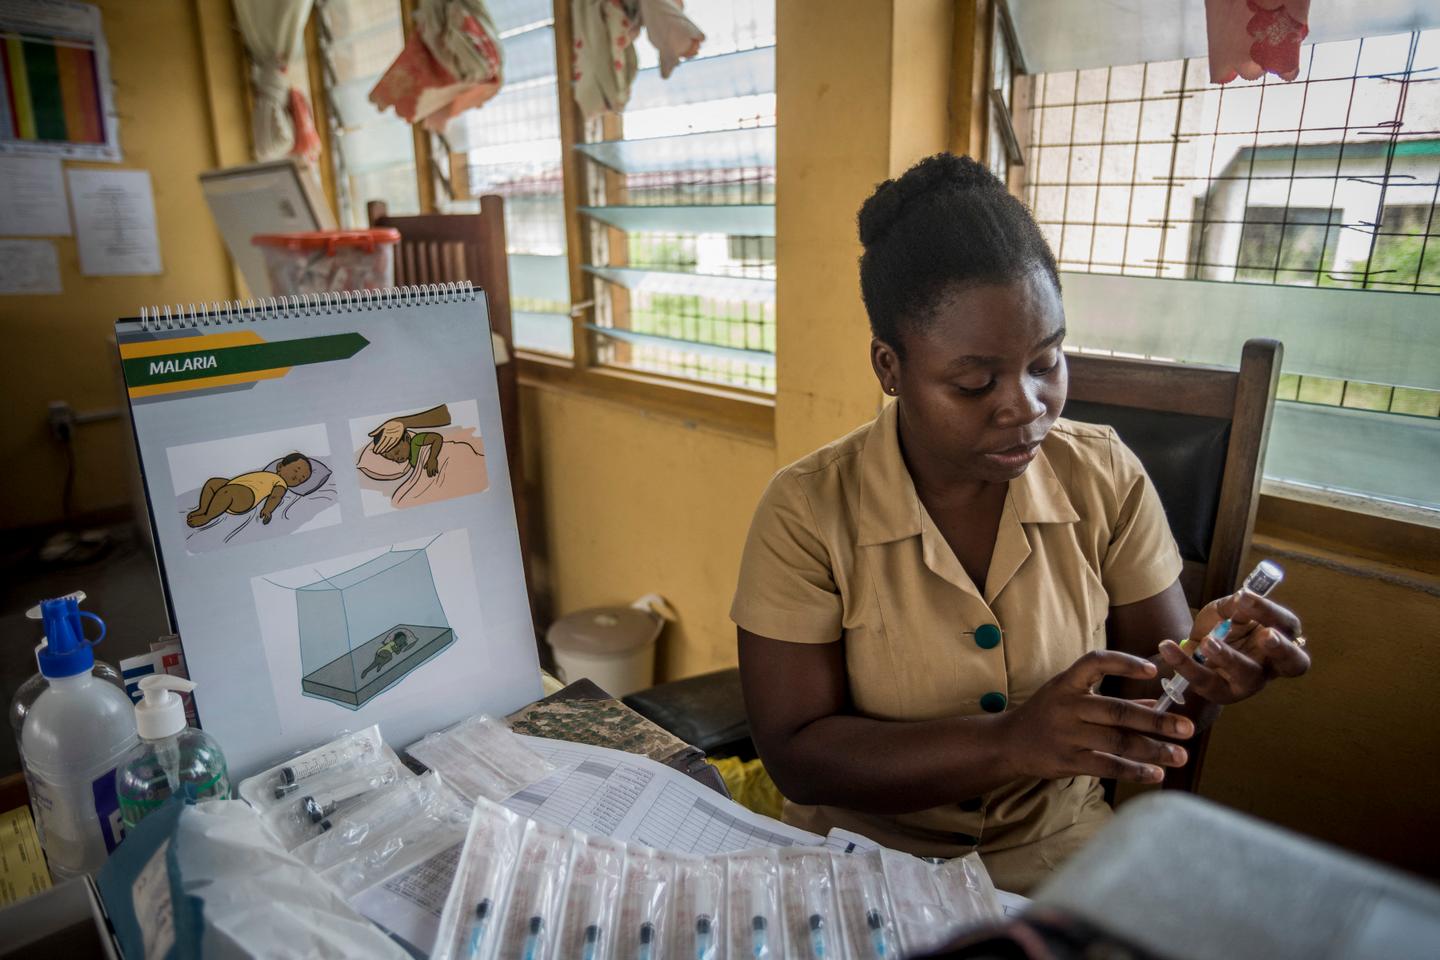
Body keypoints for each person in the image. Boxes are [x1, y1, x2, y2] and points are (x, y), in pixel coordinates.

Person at [730, 154, 1311, 894]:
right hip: (862, 863)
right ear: (889, 366)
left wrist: (1211, 663)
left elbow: (1153, 684)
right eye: (976, 383)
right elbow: (797, 755)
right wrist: (1010, 742)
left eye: (1048, 361)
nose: (1027, 405)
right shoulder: (808, 510)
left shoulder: (1103, 475)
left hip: (1060, 855)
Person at [186, 453, 312, 528]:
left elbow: (275, 497)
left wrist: (268, 510)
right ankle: (203, 509)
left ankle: (208, 516)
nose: (297, 477)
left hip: (247, 498)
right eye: (296, 470)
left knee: (227, 492)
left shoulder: (281, 484)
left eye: (301, 479)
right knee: (213, 483)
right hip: (235, 485)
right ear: (280, 466)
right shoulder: (269, 475)